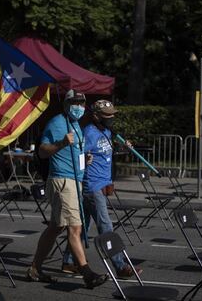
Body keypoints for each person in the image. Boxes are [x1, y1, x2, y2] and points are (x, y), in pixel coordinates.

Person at [27, 90, 108, 289]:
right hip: (63, 180)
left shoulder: (75, 125)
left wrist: (84, 161)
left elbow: (75, 151)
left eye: (82, 103)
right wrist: (62, 142)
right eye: (75, 102)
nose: (79, 106)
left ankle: (35, 268)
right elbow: (42, 152)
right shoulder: (57, 123)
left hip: (74, 180)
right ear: (66, 104)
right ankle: (87, 272)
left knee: (57, 227)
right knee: (75, 227)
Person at [62, 99, 143, 278]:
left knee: (81, 227)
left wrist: (123, 148)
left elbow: (106, 153)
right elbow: (77, 154)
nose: (111, 118)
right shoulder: (89, 133)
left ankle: (67, 261)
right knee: (106, 226)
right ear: (96, 116)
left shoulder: (106, 131)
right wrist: (85, 158)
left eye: (112, 115)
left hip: (101, 185)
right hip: (92, 187)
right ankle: (120, 266)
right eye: (107, 115)